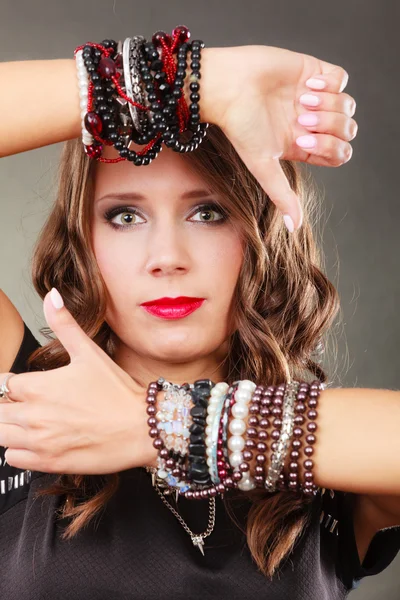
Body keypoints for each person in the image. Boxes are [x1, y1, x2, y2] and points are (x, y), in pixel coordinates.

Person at [0, 33, 399, 599]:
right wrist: (194, 81)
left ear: (261, 232)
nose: (167, 258)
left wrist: (159, 424)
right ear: (82, 238)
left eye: (208, 212)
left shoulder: (336, 476)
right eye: (125, 217)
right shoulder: (24, 411)